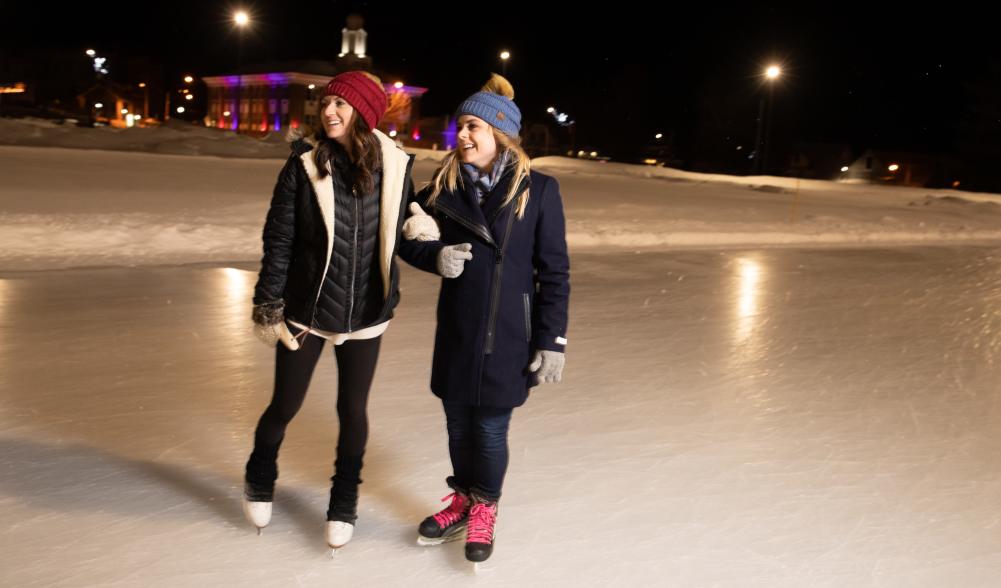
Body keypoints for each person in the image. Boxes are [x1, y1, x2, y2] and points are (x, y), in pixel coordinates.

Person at [244, 70, 434, 550]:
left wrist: (419, 227)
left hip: (367, 312)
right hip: (307, 308)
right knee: (284, 405)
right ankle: (260, 473)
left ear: (364, 114)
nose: (328, 111)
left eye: (341, 105)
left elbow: (401, 217)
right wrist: (269, 301)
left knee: (353, 410)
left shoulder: (395, 166)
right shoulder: (303, 167)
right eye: (326, 103)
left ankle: (344, 498)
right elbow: (279, 239)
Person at [399, 74, 570, 563]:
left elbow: (554, 272)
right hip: (459, 329)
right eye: (460, 126)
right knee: (457, 427)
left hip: (510, 336)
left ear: (500, 132)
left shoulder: (539, 192)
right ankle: (463, 499)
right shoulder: (442, 188)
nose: (463, 135)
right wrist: (431, 255)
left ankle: (484, 509)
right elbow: (405, 237)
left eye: (473, 125)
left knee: (491, 430)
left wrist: (552, 339)